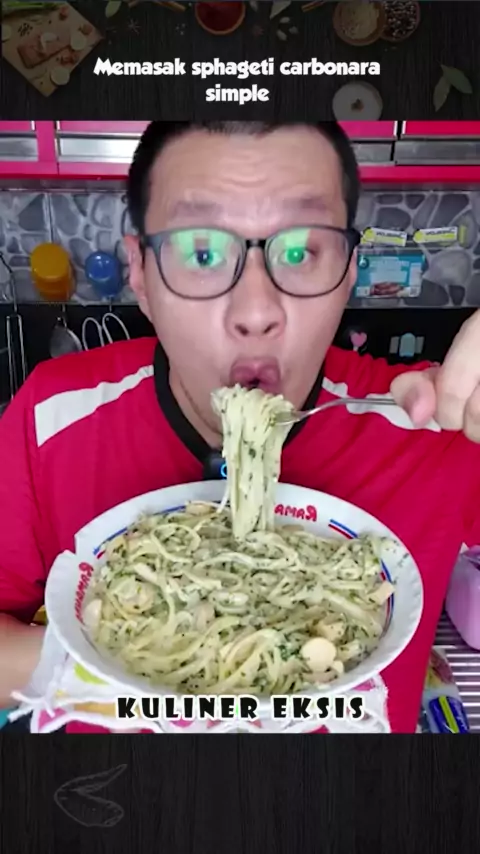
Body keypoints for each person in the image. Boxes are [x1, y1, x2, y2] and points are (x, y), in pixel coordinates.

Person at [1, 120, 479, 733]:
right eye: (202, 253)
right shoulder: (51, 415)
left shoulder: (433, 430)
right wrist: (116, 663)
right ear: (140, 274)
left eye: (301, 251)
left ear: (350, 272)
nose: (256, 311)